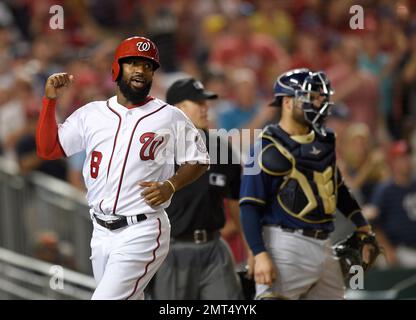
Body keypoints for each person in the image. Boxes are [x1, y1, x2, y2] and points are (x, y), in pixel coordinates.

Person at [36, 36, 209, 300]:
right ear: (117, 68)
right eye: (133, 63)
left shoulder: (168, 115)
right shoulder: (91, 113)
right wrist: (49, 102)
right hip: (101, 232)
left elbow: (199, 159)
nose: (140, 70)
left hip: (143, 229)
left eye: (147, 65)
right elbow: (48, 149)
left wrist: (171, 184)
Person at [239, 68, 377, 300]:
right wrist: (259, 253)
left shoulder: (324, 140)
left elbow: (338, 187)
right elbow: (249, 206)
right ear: (288, 102)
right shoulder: (266, 147)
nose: (318, 103)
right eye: (310, 98)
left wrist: (362, 226)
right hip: (285, 244)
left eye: (320, 97)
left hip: (324, 243)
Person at [149, 77, 247, 300]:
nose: (206, 108)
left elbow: (236, 202)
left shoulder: (220, 147)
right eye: (198, 103)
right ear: (178, 109)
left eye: (206, 103)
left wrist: (251, 250)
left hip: (214, 246)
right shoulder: (158, 149)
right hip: (172, 250)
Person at [365, 140, 416, 267]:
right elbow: (373, 223)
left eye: (407, 157)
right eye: (401, 159)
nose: (406, 162)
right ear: (393, 163)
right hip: (399, 248)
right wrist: (386, 248)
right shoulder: (385, 190)